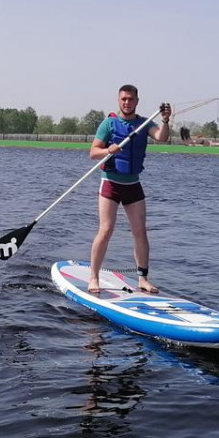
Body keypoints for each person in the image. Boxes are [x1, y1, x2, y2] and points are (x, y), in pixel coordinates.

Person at [88, 84, 171, 294]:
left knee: (140, 232)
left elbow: (162, 137)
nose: (127, 102)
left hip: (133, 184)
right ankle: (93, 277)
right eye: (123, 99)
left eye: (130, 99)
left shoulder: (144, 124)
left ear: (137, 101)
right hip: (111, 184)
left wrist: (166, 120)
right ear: (119, 100)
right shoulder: (109, 124)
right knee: (106, 230)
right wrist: (109, 149)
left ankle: (143, 279)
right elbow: (93, 152)